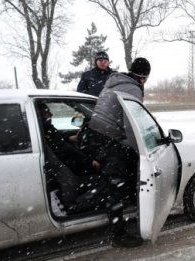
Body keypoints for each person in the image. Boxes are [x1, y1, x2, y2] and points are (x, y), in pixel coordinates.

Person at [86, 57, 151, 248]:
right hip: (109, 138)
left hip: (95, 134)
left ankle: (112, 206)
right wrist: (142, 150)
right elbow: (131, 124)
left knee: (110, 179)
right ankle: (118, 234)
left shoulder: (114, 82)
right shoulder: (133, 89)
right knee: (114, 183)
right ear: (144, 77)